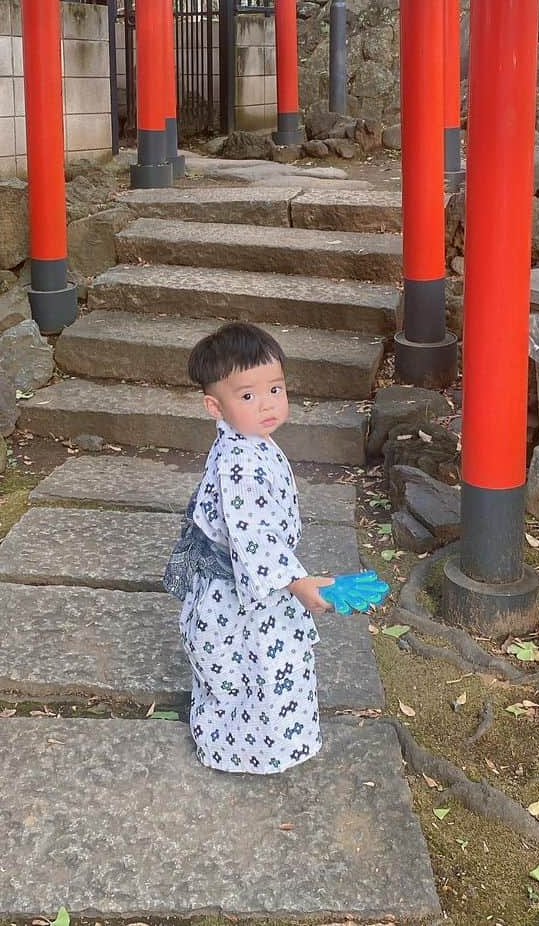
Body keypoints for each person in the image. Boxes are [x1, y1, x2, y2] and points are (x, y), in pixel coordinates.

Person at [163, 321, 333, 774]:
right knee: (249, 669)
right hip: (239, 594)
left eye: (275, 389)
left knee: (260, 670)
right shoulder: (239, 462)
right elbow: (252, 536)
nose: (267, 405)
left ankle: (256, 745)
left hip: (246, 583)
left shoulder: (249, 442)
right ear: (214, 407)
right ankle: (243, 750)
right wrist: (297, 582)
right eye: (247, 396)